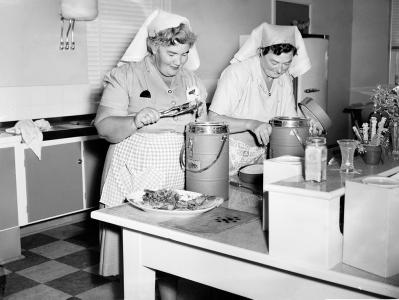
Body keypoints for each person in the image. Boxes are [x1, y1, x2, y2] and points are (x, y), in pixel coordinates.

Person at [94, 9, 207, 299]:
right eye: (171, 54)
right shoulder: (126, 75)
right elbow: (105, 127)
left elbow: (201, 126)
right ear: (153, 45)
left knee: (171, 250)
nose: (178, 61)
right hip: (136, 173)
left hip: (178, 174)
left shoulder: (192, 80)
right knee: (136, 254)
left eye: (184, 54)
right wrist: (134, 120)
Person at [208, 22, 311, 175]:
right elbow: (213, 120)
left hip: (263, 158)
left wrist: (307, 127)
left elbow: (288, 122)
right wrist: (251, 124)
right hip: (230, 158)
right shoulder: (237, 73)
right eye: (274, 62)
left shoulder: (285, 79)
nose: (280, 69)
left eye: (287, 63)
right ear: (261, 52)